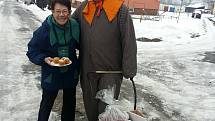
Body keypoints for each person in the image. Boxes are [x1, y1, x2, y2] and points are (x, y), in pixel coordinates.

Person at [72, 0, 137, 121]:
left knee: (105, 111)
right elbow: (69, 25)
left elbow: (129, 41)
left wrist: (129, 69)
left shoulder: (120, 10)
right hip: (88, 71)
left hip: (111, 73)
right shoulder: (84, 7)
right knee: (90, 109)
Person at [26, 0, 79, 120]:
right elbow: (32, 50)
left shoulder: (75, 26)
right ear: (52, 12)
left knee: (70, 105)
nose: (61, 15)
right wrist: (44, 59)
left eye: (65, 11)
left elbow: (83, 44)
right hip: (51, 73)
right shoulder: (45, 29)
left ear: (70, 12)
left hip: (70, 72)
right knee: (46, 104)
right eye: (58, 11)